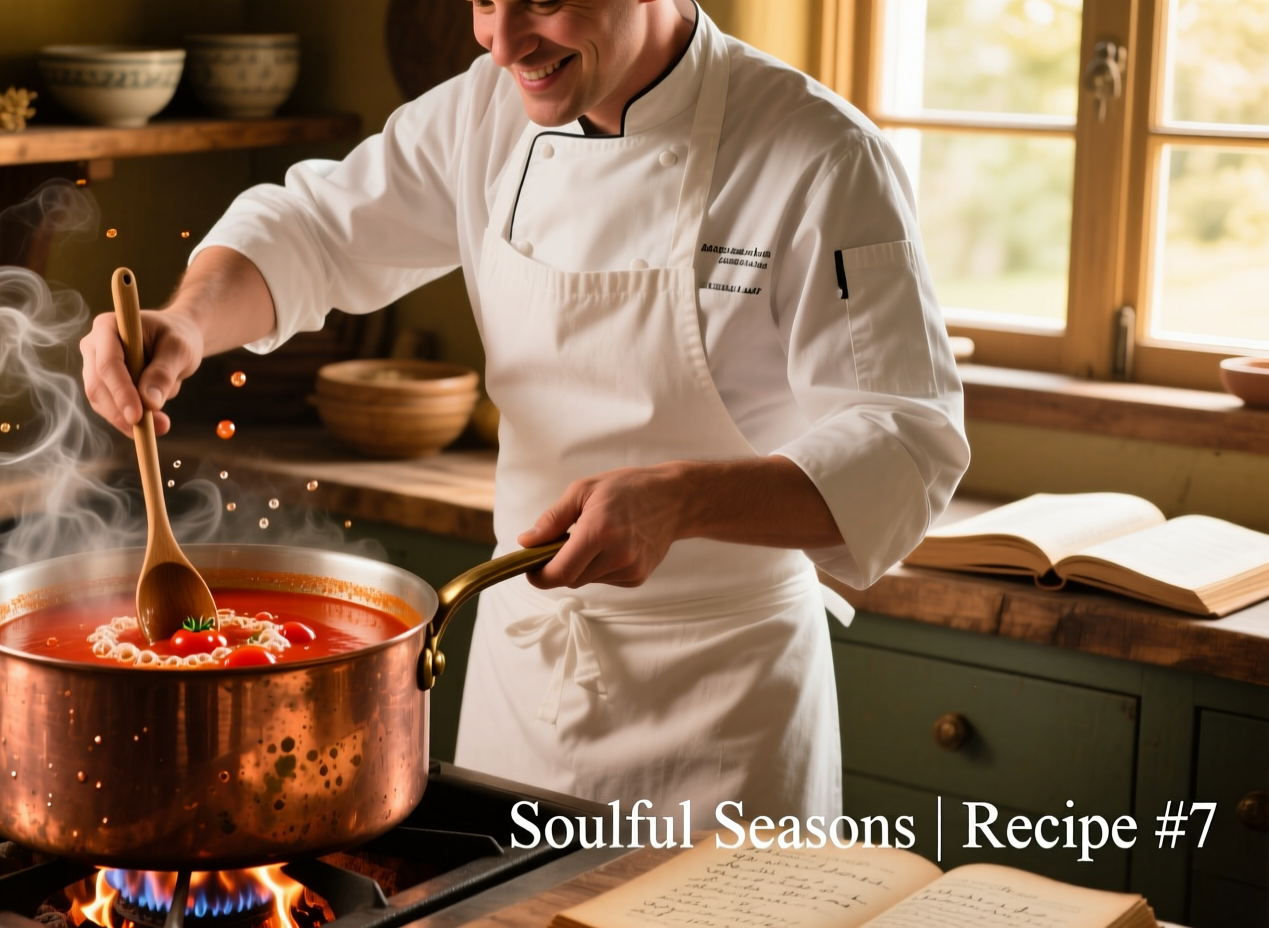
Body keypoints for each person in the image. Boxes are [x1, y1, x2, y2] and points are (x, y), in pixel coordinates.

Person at [81, 0, 970, 823]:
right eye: (482, 1)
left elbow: (906, 443)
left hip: (725, 709)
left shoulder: (817, 154)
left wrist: (680, 500)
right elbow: (311, 230)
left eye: (543, 1)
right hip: (524, 684)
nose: (501, 43)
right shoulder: (485, 112)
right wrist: (189, 319)